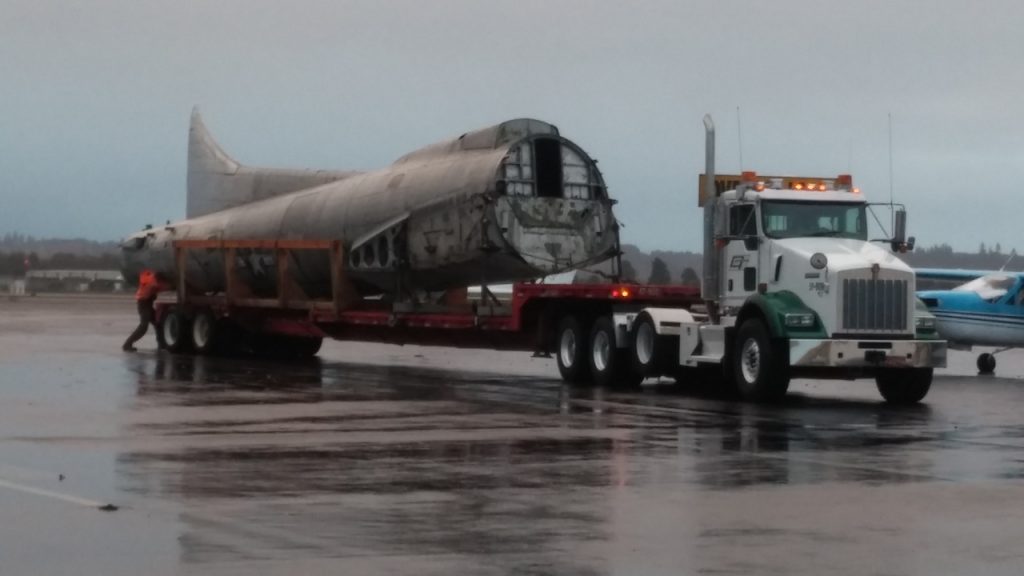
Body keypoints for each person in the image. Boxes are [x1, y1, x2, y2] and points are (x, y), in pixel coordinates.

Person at [122, 269, 171, 352]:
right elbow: (158, 286)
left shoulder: (152, 279)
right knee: (143, 326)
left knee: (157, 323)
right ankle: (127, 344)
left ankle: (161, 344)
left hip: (147, 304)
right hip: (143, 304)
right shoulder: (152, 281)